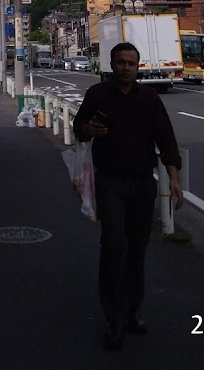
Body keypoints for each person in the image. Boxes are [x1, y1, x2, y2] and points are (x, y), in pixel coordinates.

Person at [72, 42, 183, 352]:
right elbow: (78, 126)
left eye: (131, 63)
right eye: (121, 62)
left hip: (143, 184)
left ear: (138, 66)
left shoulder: (149, 99)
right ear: (112, 64)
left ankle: (133, 309)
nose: (126, 68)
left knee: (137, 248)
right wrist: (88, 130)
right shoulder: (97, 95)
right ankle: (115, 318)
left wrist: (173, 178)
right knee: (113, 245)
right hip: (109, 180)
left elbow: (167, 139)